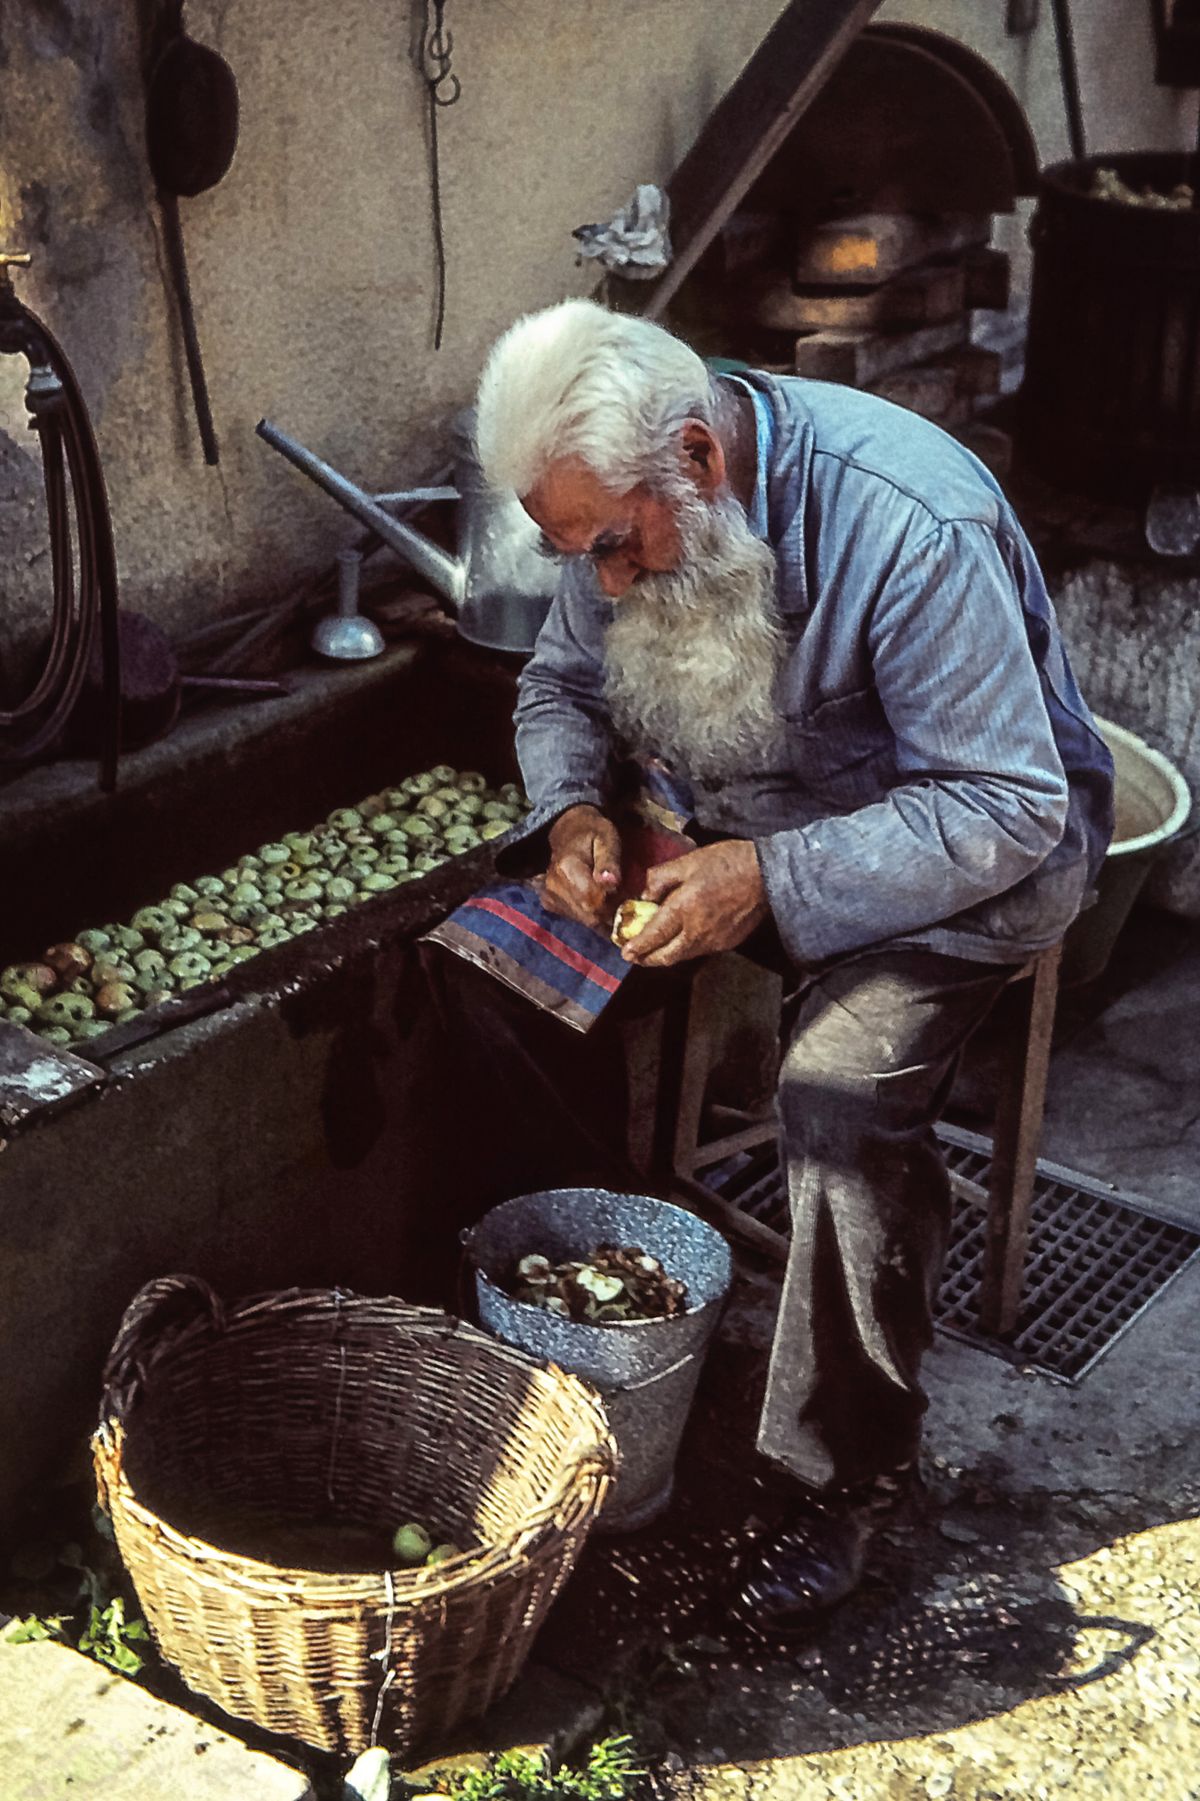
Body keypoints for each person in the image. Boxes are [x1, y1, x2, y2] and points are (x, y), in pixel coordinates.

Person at [469, 298, 1114, 1631]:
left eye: (613, 550)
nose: (598, 585)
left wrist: (770, 877)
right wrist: (576, 813)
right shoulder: (622, 520)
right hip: (761, 823)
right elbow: (557, 689)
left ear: (699, 461)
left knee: (835, 1093)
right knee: (492, 953)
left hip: (967, 863)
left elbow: (1007, 803)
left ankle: (854, 1481)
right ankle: (610, 1320)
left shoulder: (905, 520)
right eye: (569, 553)